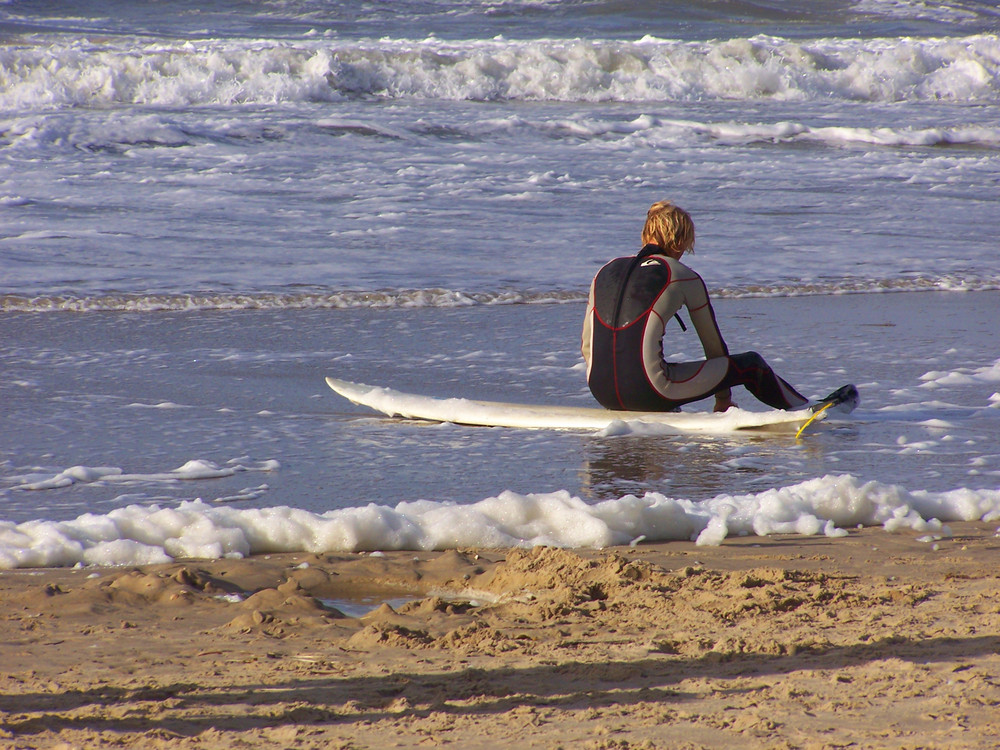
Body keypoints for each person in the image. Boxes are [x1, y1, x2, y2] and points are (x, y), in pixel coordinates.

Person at [581, 200, 810, 413]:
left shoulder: (604, 271)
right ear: (680, 241)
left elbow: (586, 346)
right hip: (648, 392)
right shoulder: (681, 275)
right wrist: (722, 400)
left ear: (646, 234)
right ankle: (806, 409)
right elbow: (713, 346)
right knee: (750, 365)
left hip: (602, 392)